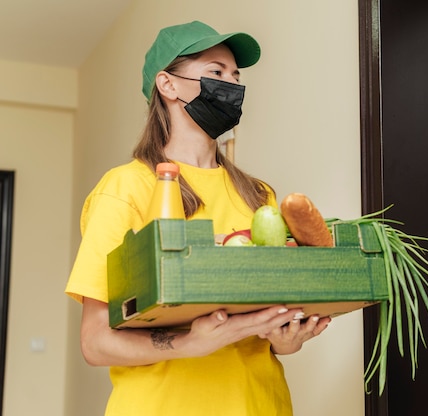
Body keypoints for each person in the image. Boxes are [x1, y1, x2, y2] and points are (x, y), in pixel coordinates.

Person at [65, 20, 331, 415]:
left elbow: (269, 329)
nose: (232, 85)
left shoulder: (260, 196)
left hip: (260, 404)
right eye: (215, 73)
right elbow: (95, 342)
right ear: (167, 85)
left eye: (236, 76)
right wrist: (190, 343)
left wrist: (286, 339)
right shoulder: (125, 189)